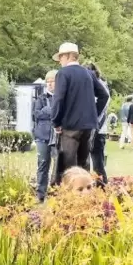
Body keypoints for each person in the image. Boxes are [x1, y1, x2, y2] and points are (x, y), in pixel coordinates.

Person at [50, 42, 109, 184]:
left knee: (69, 166)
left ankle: (71, 199)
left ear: (67, 56)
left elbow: (58, 100)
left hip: (70, 125)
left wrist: (56, 122)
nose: (60, 62)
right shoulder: (88, 73)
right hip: (88, 126)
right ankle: (86, 196)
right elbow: (104, 95)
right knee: (84, 163)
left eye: (61, 58)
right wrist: (94, 113)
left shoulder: (63, 74)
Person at [32, 70, 58, 201]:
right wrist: (50, 110)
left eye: (52, 81)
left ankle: (56, 192)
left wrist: (46, 112)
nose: (49, 84)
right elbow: (37, 114)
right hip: (42, 136)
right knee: (42, 164)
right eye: (47, 82)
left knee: (58, 164)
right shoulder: (41, 98)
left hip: (58, 136)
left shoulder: (61, 98)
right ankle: (40, 194)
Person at [87, 63, 110, 184]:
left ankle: (102, 186)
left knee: (97, 162)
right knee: (90, 161)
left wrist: (94, 122)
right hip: (93, 127)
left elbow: (102, 110)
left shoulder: (100, 87)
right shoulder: (98, 85)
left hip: (98, 129)